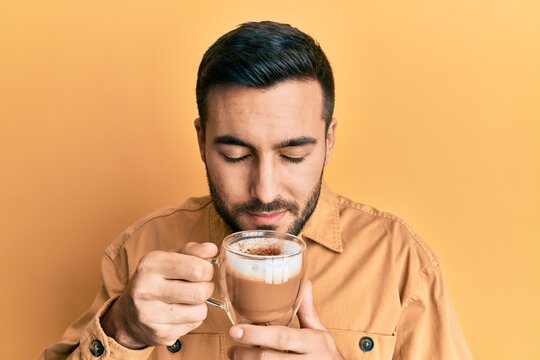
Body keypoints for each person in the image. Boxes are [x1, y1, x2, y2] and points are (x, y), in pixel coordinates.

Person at [41, 21, 472, 359]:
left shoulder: (399, 261)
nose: (264, 191)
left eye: (294, 155)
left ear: (329, 141)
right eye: (234, 155)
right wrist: (122, 330)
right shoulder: (140, 250)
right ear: (201, 142)